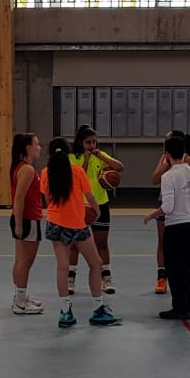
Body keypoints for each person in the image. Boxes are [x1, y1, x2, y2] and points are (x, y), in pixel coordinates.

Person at [40, 137, 121, 328]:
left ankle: (65, 312)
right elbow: (90, 197)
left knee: (62, 266)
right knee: (95, 263)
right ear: (67, 153)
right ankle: (98, 309)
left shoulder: (45, 172)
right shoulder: (76, 171)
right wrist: (97, 212)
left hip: (55, 222)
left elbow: (48, 200)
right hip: (77, 223)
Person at [143, 134, 190, 320]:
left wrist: (151, 215)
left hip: (174, 226)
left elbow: (167, 207)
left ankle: (178, 307)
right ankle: (187, 306)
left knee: (174, 267)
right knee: (188, 268)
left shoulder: (168, 176)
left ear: (167, 154)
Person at [67, 124, 125, 295]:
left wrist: (102, 157)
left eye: (94, 142)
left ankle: (106, 278)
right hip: (80, 205)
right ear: (80, 142)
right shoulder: (72, 157)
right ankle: (70, 279)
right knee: (74, 244)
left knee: (102, 244)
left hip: (100, 203)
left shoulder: (100, 155)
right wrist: (86, 159)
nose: (92, 145)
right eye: (88, 142)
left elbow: (120, 167)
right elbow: (79, 177)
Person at [9, 132, 44, 315]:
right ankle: (20, 303)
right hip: (28, 219)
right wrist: (19, 224)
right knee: (25, 262)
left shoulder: (21, 167)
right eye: (37, 144)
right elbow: (19, 198)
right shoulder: (27, 170)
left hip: (25, 219)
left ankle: (19, 296)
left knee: (20, 261)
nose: (39, 147)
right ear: (28, 148)